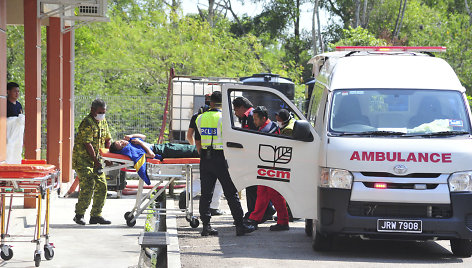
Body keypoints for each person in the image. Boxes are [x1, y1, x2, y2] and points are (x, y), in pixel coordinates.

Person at [195, 91, 255, 236]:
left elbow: (197, 141)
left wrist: (203, 154)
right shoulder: (224, 118)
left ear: (211, 102)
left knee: (206, 194)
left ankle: (206, 226)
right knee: (231, 193)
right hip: (221, 158)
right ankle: (240, 225)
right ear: (223, 103)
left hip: (205, 158)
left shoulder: (200, 118)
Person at [232, 97, 276, 221]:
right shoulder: (247, 117)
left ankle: (257, 212)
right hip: (252, 156)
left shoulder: (251, 116)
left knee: (253, 186)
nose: (235, 113)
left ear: (241, 107)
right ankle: (264, 210)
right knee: (254, 187)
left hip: (255, 157)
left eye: (236, 110)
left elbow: (255, 137)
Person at [246, 106, 290, 231]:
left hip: (271, 165)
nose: (254, 122)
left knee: (274, 193)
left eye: (255, 119)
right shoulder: (268, 127)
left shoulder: (267, 130)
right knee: (263, 192)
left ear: (263, 118)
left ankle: (283, 221)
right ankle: (255, 219)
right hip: (267, 165)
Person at [72, 99, 112, 225]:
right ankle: (79, 215)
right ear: (92, 110)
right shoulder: (87, 123)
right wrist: (95, 160)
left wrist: (108, 157)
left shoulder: (103, 121)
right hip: (83, 160)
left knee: (102, 185)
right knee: (88, 185)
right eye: (100, 112)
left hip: (97, 160)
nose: (102, 114)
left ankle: (96, 215)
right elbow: (87, 143)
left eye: (104, 112)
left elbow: (107, 139)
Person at [186, 94, 225, 216]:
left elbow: (189, 136)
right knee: (218, 182)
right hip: (219, 154)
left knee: (203, 180)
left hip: (201, 153)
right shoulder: (222, 117)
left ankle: (189, 192)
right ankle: (213, 206)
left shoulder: (198, 117)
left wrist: (195, 150)